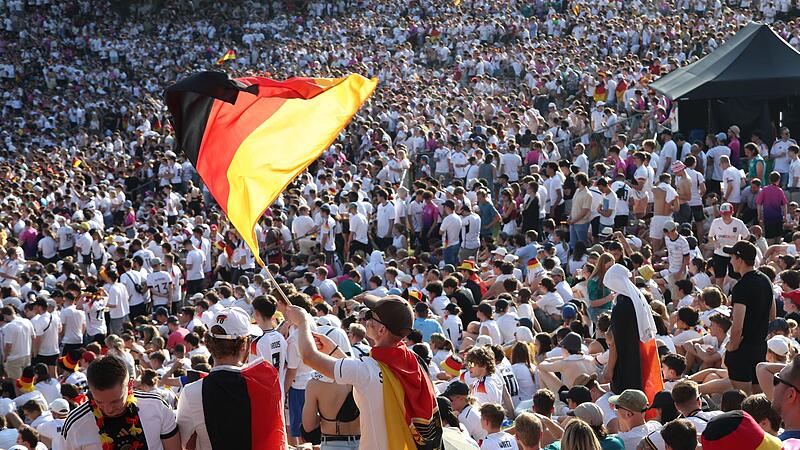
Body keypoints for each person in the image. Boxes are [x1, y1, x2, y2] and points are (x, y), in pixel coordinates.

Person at [283, 295, 442, 449]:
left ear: (381, 330)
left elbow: (309, 357)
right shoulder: (412, 361)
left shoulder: (367, 370)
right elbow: (370, 377)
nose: (366, 320)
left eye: (370, 316)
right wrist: (335, 351)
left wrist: (303, 322)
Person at [176, 306, 286, 449]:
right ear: (244, 345)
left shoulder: (192, 392)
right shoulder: (269, 383)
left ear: (208, 344)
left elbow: (182, 442)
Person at [62, 355, 181, 449]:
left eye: (115, 401)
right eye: (99, 402)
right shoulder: (75, 424)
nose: (108, 409)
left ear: (130, 385)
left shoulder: (156, 406)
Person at [723, 241, 775, 395]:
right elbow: (772, 314)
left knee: (742, 400)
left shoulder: (741, 286)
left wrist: (731, 347)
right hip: (759, 347)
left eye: (732, 257)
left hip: (742, 349)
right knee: (758, 400)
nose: (731, 261)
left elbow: (738, 326)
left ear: (739, 259)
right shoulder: (766, 280)